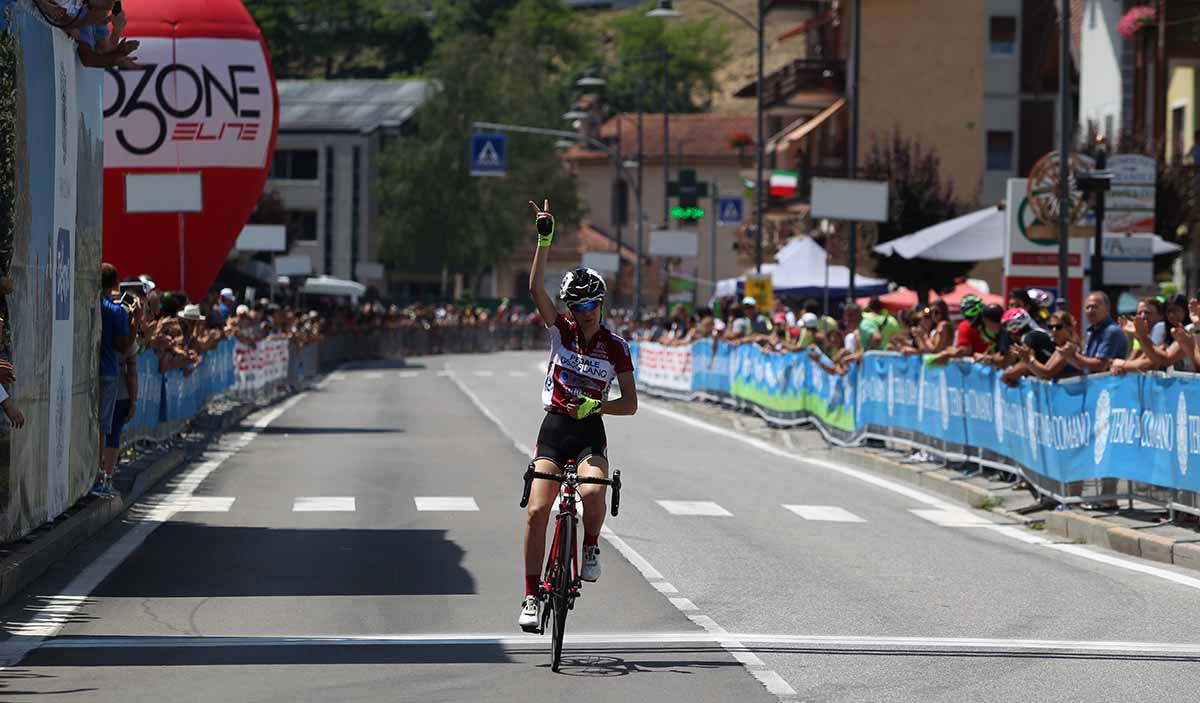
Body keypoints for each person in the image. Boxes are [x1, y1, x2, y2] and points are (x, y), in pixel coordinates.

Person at [520, 199, 638, 632]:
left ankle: (590, 546)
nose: (582, 313)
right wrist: (544, 239)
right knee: (536, 511)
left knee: (591, 493)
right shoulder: (562, 332)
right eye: (575, 306)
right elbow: (536, 291)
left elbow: (630, 403)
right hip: (555, 427)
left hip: (590, 430)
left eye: (589, 306)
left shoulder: (616, 347)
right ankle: (532, 596)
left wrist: (597, 406)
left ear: (601, 305)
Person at [96, 263, 132, 497]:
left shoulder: (89, 303)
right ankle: (98, 477)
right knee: (102, 427)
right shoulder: (116, 311)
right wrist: (135, 320)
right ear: (116, 285)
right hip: (107, 372)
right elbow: (123, 346)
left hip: (85, 371)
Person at [1060, 292, 1127, 374]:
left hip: (1108, 385)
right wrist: (1069, 355)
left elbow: (1101, 365)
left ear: (1107, 310)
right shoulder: (1092, 331)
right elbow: (1083, 364)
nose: (1090, 311)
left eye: (1095, 307)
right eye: (1087, 307)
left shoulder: (1111, 331)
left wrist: (1074, 356)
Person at [1014, 311, 1082, 381]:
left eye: (1058, 327)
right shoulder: (1061, 347)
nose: (1054, 330)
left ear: (1069, 328)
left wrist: (1029, 359)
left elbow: (1047, 374)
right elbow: (1044, 370)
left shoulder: (1069, 348)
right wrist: (1027, 359)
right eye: (1051, 327)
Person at [999, 308, 1057, 385]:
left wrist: (1007, 375)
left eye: (1006, 326)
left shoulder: (1029, 337)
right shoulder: (1037, 333)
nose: (1006, 331)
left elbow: (1025, 364)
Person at [933, 294, 988, 364]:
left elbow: (964, 350)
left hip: (976, 369)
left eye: (936, 312)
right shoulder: (993, 323)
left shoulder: (964, 326)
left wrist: (946, 353)